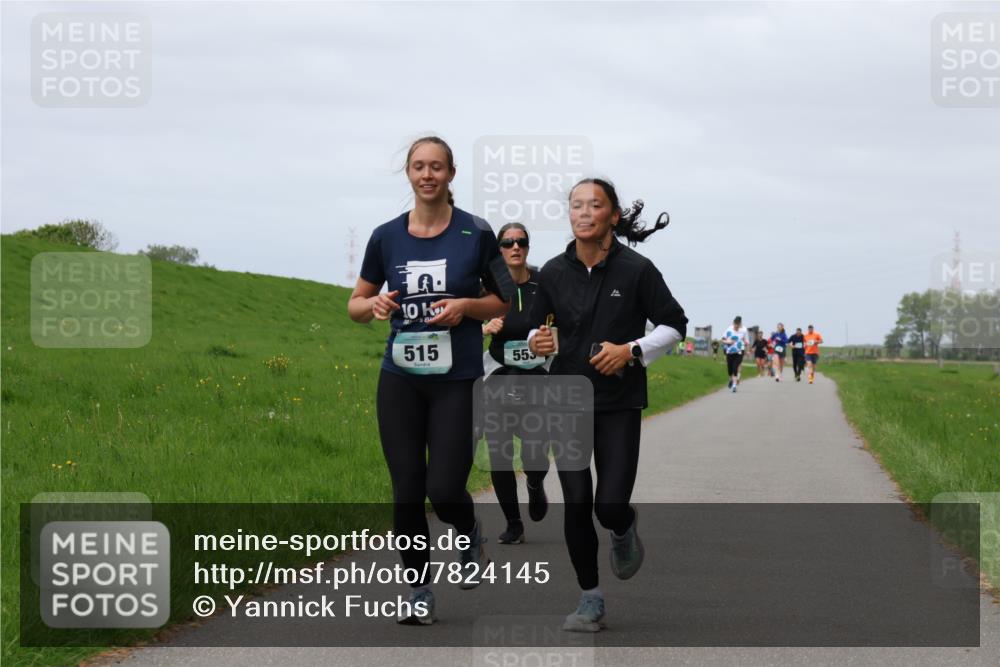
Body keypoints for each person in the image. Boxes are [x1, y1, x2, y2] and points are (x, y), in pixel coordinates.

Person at [348, 136, 513, 625]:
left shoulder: (476, 233)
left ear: (451, 174)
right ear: (409, 174)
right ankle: (419, 589)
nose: (427, 175)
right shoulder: (385, 237)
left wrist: (465, 307)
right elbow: (355, 305)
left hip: (457, 379)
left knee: (443, 489)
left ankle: (469, 534)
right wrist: (373, 306)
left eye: (436, 167)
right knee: (406, 490)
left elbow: (501, 301)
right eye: (419, 167)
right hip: (400, 377)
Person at [527, 178, 686, 632]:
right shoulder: (553, 273)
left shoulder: (637, 269)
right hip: (566, 399)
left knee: (608, 505)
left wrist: (631, 350)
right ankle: (590, 598)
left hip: (618, 402)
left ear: (613, 216)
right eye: (576, 205)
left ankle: (623, 526)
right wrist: (538, 341)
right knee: (576, 501)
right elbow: (540, 332)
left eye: (594, 205)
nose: (583, 212)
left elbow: (674, 325)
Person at [481, 222, 551, 545]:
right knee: (499, 450)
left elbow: (565, 321)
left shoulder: (544, 283)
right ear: (499, 249)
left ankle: (535, 484)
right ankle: (513, 523)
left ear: (527, 246)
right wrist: (484, 326)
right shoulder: (488, 287)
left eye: (520, 242)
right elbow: (467, 321)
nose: (515, 247)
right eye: (507, 242)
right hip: (498, 374)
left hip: (536, 377)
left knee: (535, 453)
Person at [723, 316, 750, 391]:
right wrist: (727, 342)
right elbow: (723, 339)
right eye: (735, 325)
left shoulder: (744, 330)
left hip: (739, 351)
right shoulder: (729, 329)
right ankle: (731, 379)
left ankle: (734, 385)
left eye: (737, 325)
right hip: (730, 351)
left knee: (735, 367)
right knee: (730, 369)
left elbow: (746, 341)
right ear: (733, 323)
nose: (736, 327)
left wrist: (747, 350)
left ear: (740, 324)